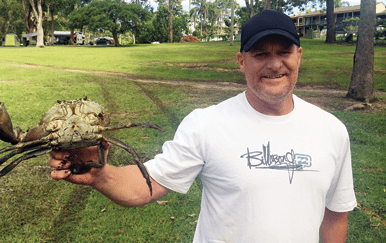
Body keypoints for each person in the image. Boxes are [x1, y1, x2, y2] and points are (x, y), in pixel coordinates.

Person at [48, 10, 357, 242]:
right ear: (241, 61)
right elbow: (147, 186)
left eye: (284, 52)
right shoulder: (207, 124)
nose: (274, 64)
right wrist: (99, 173)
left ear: (299, 56)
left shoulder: (331, 131)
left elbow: (335, 214)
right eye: (260, 54)